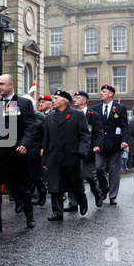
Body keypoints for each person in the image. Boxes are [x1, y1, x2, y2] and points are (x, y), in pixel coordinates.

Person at [0, 74, 36, 229]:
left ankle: (29, 215)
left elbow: (30, 127)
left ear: (11, 84)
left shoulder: (24, 103)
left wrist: (24, 144)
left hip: (17, 152)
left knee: (21, 187)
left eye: (2, 84)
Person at [42, 90, 91, 221]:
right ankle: (57, 212)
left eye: (56, 98)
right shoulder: (49, 118)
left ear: (64, 101)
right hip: (54, 157)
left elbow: (85, 135)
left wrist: (82, 151)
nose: (53, 100)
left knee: (75, 184)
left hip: (72, 156)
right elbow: (46, 140)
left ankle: (82, 200)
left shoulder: (77, 115)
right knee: (54, 185)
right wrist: (44, 158)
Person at [65, 91, 104, 212]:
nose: (74, 100)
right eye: (74, 98)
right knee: (72, 177)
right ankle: (73, 203)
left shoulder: (93, 115)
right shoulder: (70, 114)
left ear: (84, 100)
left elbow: (99, 132)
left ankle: (97, 194)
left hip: (88, 150)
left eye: (77, 98)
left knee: (90, 176)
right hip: (73, 150)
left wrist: (97, 145)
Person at [92, 84, 129, 205]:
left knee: (114, 171)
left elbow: (124, 126)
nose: (101, 93)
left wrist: (124, 141)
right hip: (100, 145)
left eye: (104, 91)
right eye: (101, 91)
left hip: (115, 144)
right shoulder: (95, 108)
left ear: (111, 94)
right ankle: (104, 188)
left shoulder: (120, 107)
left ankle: (113, 195)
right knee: (97, 168)